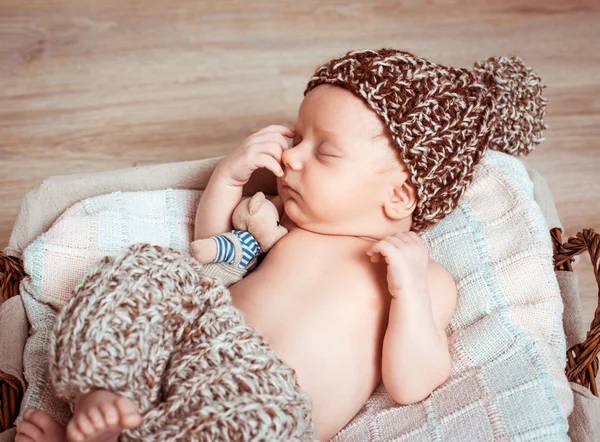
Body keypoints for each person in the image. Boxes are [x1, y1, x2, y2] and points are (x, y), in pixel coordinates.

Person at [15, 47, 546, 442]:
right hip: (198, 333)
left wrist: (407, 292)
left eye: (325, 152)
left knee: (259, 425)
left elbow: (412, 383)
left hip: (268, 393)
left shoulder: (422, 275)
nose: (292, 158)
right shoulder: (287, 223)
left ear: (399, 194)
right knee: (149, 273)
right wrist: (228, 177)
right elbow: (212, 251)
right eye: (297, 138)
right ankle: (107, 394)